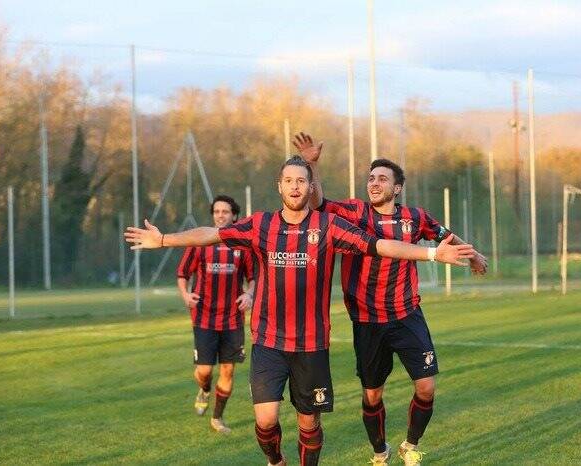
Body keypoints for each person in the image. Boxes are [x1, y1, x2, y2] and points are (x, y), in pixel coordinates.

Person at [125, 156, 475, 466]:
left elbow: (380, 245)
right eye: (289, 180)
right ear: (280, 186)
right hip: (269, 341)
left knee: (309, 423)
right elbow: (213, 234)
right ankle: (276, 461)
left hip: (311, 344)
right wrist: (165, 239)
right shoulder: (261, 224)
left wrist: (432, 254)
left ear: (311, 187)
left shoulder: (329, 226)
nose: (295, 186)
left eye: (302, 180)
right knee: (265, 420)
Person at [293, 132, 487, 466]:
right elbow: (319, 205)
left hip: (407, 314)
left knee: (426, 387)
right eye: (371, 178)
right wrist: (311, 165)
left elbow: (445, 236)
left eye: (382, 178)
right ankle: (379, 452)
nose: (374, 183)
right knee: (372, 395)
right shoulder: (355, 213)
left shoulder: (416, 217)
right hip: (368, 321)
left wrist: (474, 253)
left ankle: (410, 445)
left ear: (396, 188)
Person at [176, 195, 255, 434]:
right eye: (217, 211)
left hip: (232, 318)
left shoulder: (242, 244)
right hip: (204, 318)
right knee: (204, 371)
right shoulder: (200, 242)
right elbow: (182, 274)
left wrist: (250, 294)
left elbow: (253, 277)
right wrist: (185, 295)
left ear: (234, 216)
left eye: (225, 211)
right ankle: (205, 390)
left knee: (228, 370)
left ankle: (217, 418)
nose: (220, 215)